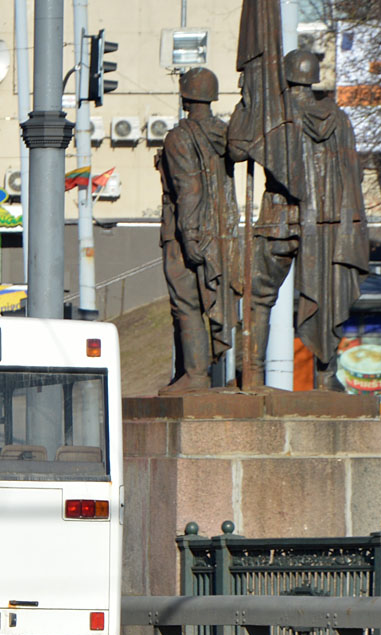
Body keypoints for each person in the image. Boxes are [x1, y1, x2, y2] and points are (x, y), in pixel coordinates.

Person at [229, 49, 369, 387]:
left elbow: (235, 149)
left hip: (278, 216)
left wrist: (247, 104)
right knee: (326, 293)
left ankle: (251, 372)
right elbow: (354, 173)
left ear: (285, 76)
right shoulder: (339, 118)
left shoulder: (274, 116)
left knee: (258, 294)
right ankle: (325, 374)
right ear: (314, 76)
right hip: (323, 224)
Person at [156, 67, 241, 395]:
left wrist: (189, 234)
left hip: (186, 231)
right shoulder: (224, 134)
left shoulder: (179, 136)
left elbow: (187, 187)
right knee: (213, 299)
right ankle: (186, 372)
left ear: (185, 95)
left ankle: (195, 374)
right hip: (222, 230)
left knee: (186, 302)